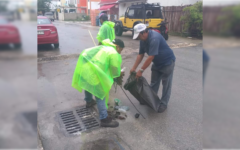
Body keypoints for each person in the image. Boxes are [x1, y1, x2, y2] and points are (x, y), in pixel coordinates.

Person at [72, 39, 125, 128]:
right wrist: (120, 73)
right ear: (118, 47)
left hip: (86, 70)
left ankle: (89, 101)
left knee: (88, 85)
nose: (120, 52)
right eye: (121, 50)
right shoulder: (113, 52)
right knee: (100, 94)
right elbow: (115, 69)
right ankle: (104, 119)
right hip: (95, 74)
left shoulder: (102, 47)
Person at [131, 23, 176, 113]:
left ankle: (163, 104)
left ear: (143, 32)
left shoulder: (154, 38)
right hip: (157, 63)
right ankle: (151, 99)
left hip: (167, 62)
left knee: (166, 84)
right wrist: (134, 68)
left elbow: (151, 57)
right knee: (154, 83)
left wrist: (141, 70)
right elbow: (141, 54)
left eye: (138, 36)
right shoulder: (142, 40)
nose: (138, 38)